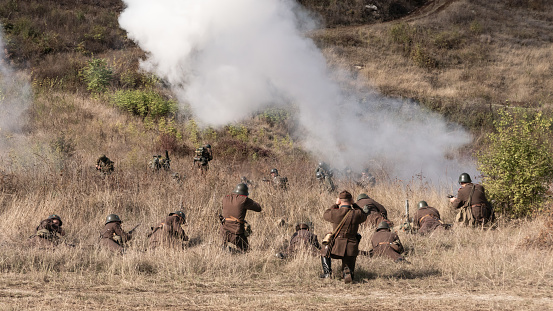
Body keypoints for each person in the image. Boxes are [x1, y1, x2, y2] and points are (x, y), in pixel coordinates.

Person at [320, 190, 368, 284]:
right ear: (351, 201)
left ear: (340, 200)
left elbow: (325, 214)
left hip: (336, 247)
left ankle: (327, 273)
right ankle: (347, 272)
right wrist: (354, 205)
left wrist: (335, 204)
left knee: (324, 250)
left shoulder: (335, 213)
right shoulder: (357, 213)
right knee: (348, 268)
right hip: (351, 247)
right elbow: (364, 215)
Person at [219, 183, 262, 252]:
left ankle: (226, 248)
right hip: (236, 232)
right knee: (246, 251)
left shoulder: (225, 198)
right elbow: (258, 208)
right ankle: (230, 251)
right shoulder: (244, 199)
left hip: (223, 231)